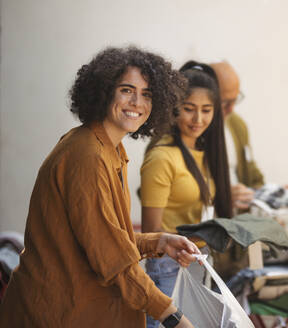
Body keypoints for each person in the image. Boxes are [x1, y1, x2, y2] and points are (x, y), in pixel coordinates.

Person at [0, 47, 199, 328]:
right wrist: (173, 317)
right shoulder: (88, 155)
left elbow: (104, 239)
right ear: (105, 91)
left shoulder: (109, 149)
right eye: (127, 90)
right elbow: (112, 258)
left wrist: (159, 242)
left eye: (147, 94)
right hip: (56, 314)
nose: (137, 102)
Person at [140, 61, 232, 328]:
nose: (198, 120)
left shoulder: (202, 153)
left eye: (206, 110)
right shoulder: (162, 157)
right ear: (174, 109)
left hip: (196, 264)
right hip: (169, 267)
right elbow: (151, 232)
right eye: (189, 109)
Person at [210, 61, 265, 211]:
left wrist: (267, 193)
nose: (231, 108)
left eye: (235, 100)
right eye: (225, 102)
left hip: (235, 220)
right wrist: (220, 197)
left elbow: (250, 169)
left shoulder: (237, 124)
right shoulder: (189, 128)